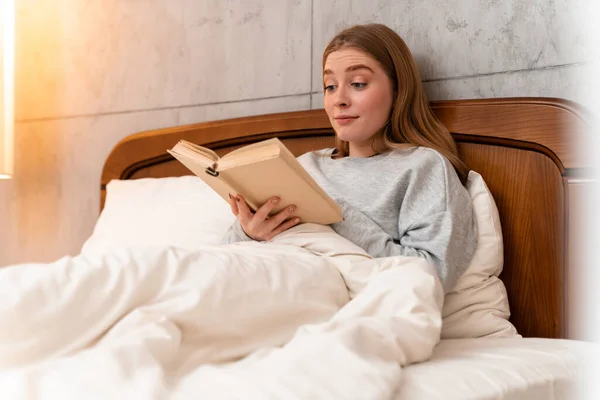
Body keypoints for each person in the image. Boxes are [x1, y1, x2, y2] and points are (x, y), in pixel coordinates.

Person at [221, 23, 477, 293]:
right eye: (330, 86)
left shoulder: (423, 167)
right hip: (264, 284)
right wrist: (248, 232)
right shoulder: (304, 166)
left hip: (332, 300)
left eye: (357, 84)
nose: (338, 99)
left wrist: (333, 212)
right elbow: (222, 261)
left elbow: (430, 276)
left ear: (398, 92)